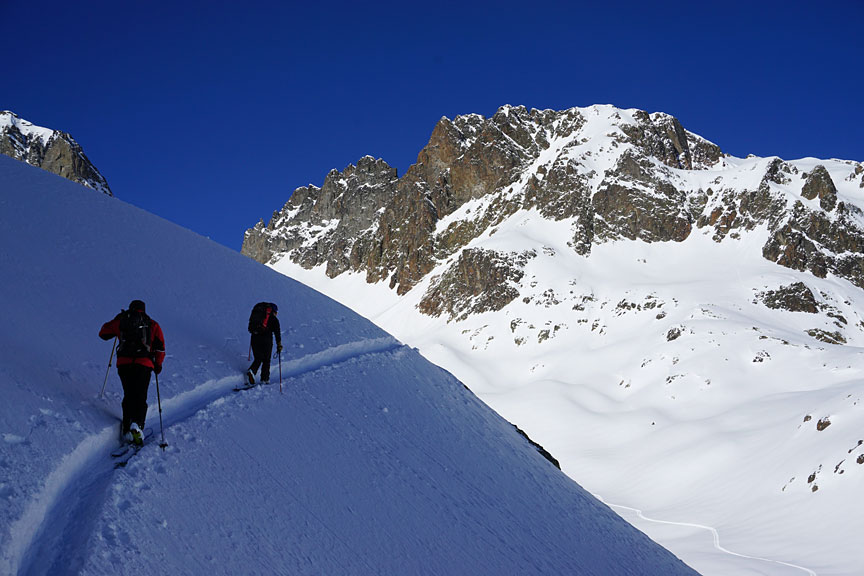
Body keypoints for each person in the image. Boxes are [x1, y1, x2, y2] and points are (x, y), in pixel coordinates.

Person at [100, 300, 165, 445]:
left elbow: (103, 333)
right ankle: (137, 426)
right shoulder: (152, 324)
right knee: (140, 395)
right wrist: (158, 365)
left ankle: (127, 428)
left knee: (129, 394)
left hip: (124, 364)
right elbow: (160, 348)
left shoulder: (122, 320)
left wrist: (118, 320)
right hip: (144, 364)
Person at [247, 302, 282, 386]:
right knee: (266, 359)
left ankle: (252, 371)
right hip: (266, 340)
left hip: (254, 337)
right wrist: (279, 344)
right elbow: (277, 333)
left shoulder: (259, 316)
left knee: (258, 357)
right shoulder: (274, 320)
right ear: (274, 311)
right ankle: (265, 379)